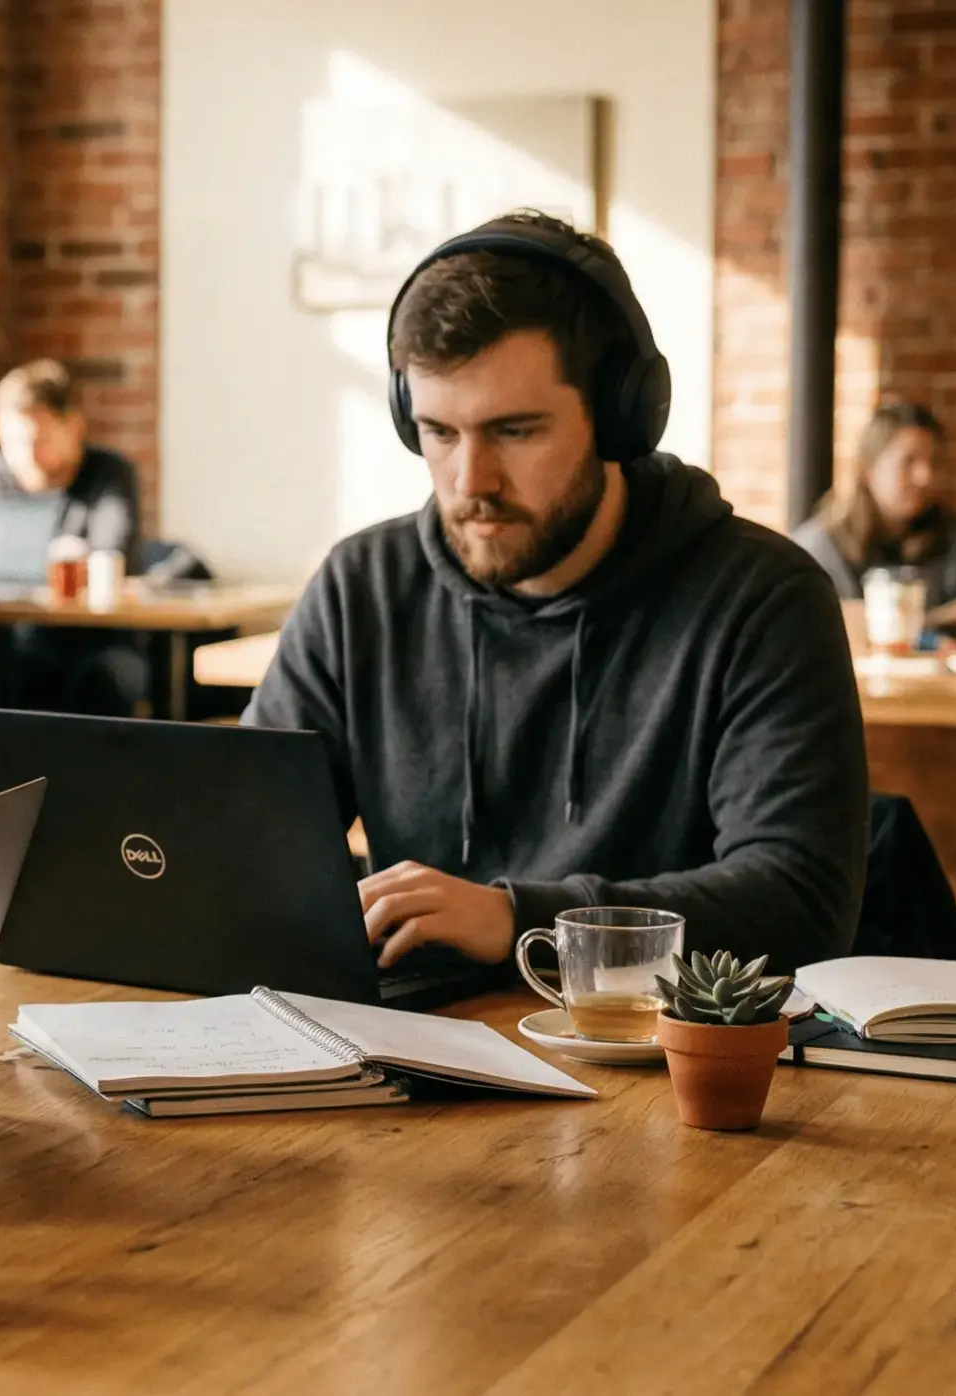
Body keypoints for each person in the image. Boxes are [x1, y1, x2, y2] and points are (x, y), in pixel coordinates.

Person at [245, 210, 868, 973]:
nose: (471, 483)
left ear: (620, 417)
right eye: (440, 433)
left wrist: (520, 920)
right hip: (414, 1051)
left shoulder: (760, 599)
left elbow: (798, 902)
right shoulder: (360, 589)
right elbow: (250, 848)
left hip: (651, 1060)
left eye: (514, 431)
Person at [0, 360, 151, 715]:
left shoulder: (109, 475)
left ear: (73, 426)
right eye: (12, 443)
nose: (25, 456)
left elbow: (113, 553)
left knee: (103, 677)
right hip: (8, 639)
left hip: (92, 640)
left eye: (38, 440)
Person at [791, 400, 956, 627]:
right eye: (908, 462)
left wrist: (920, 623)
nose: (925, 477)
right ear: (869, 468)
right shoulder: (821, 545)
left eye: (934, 462)